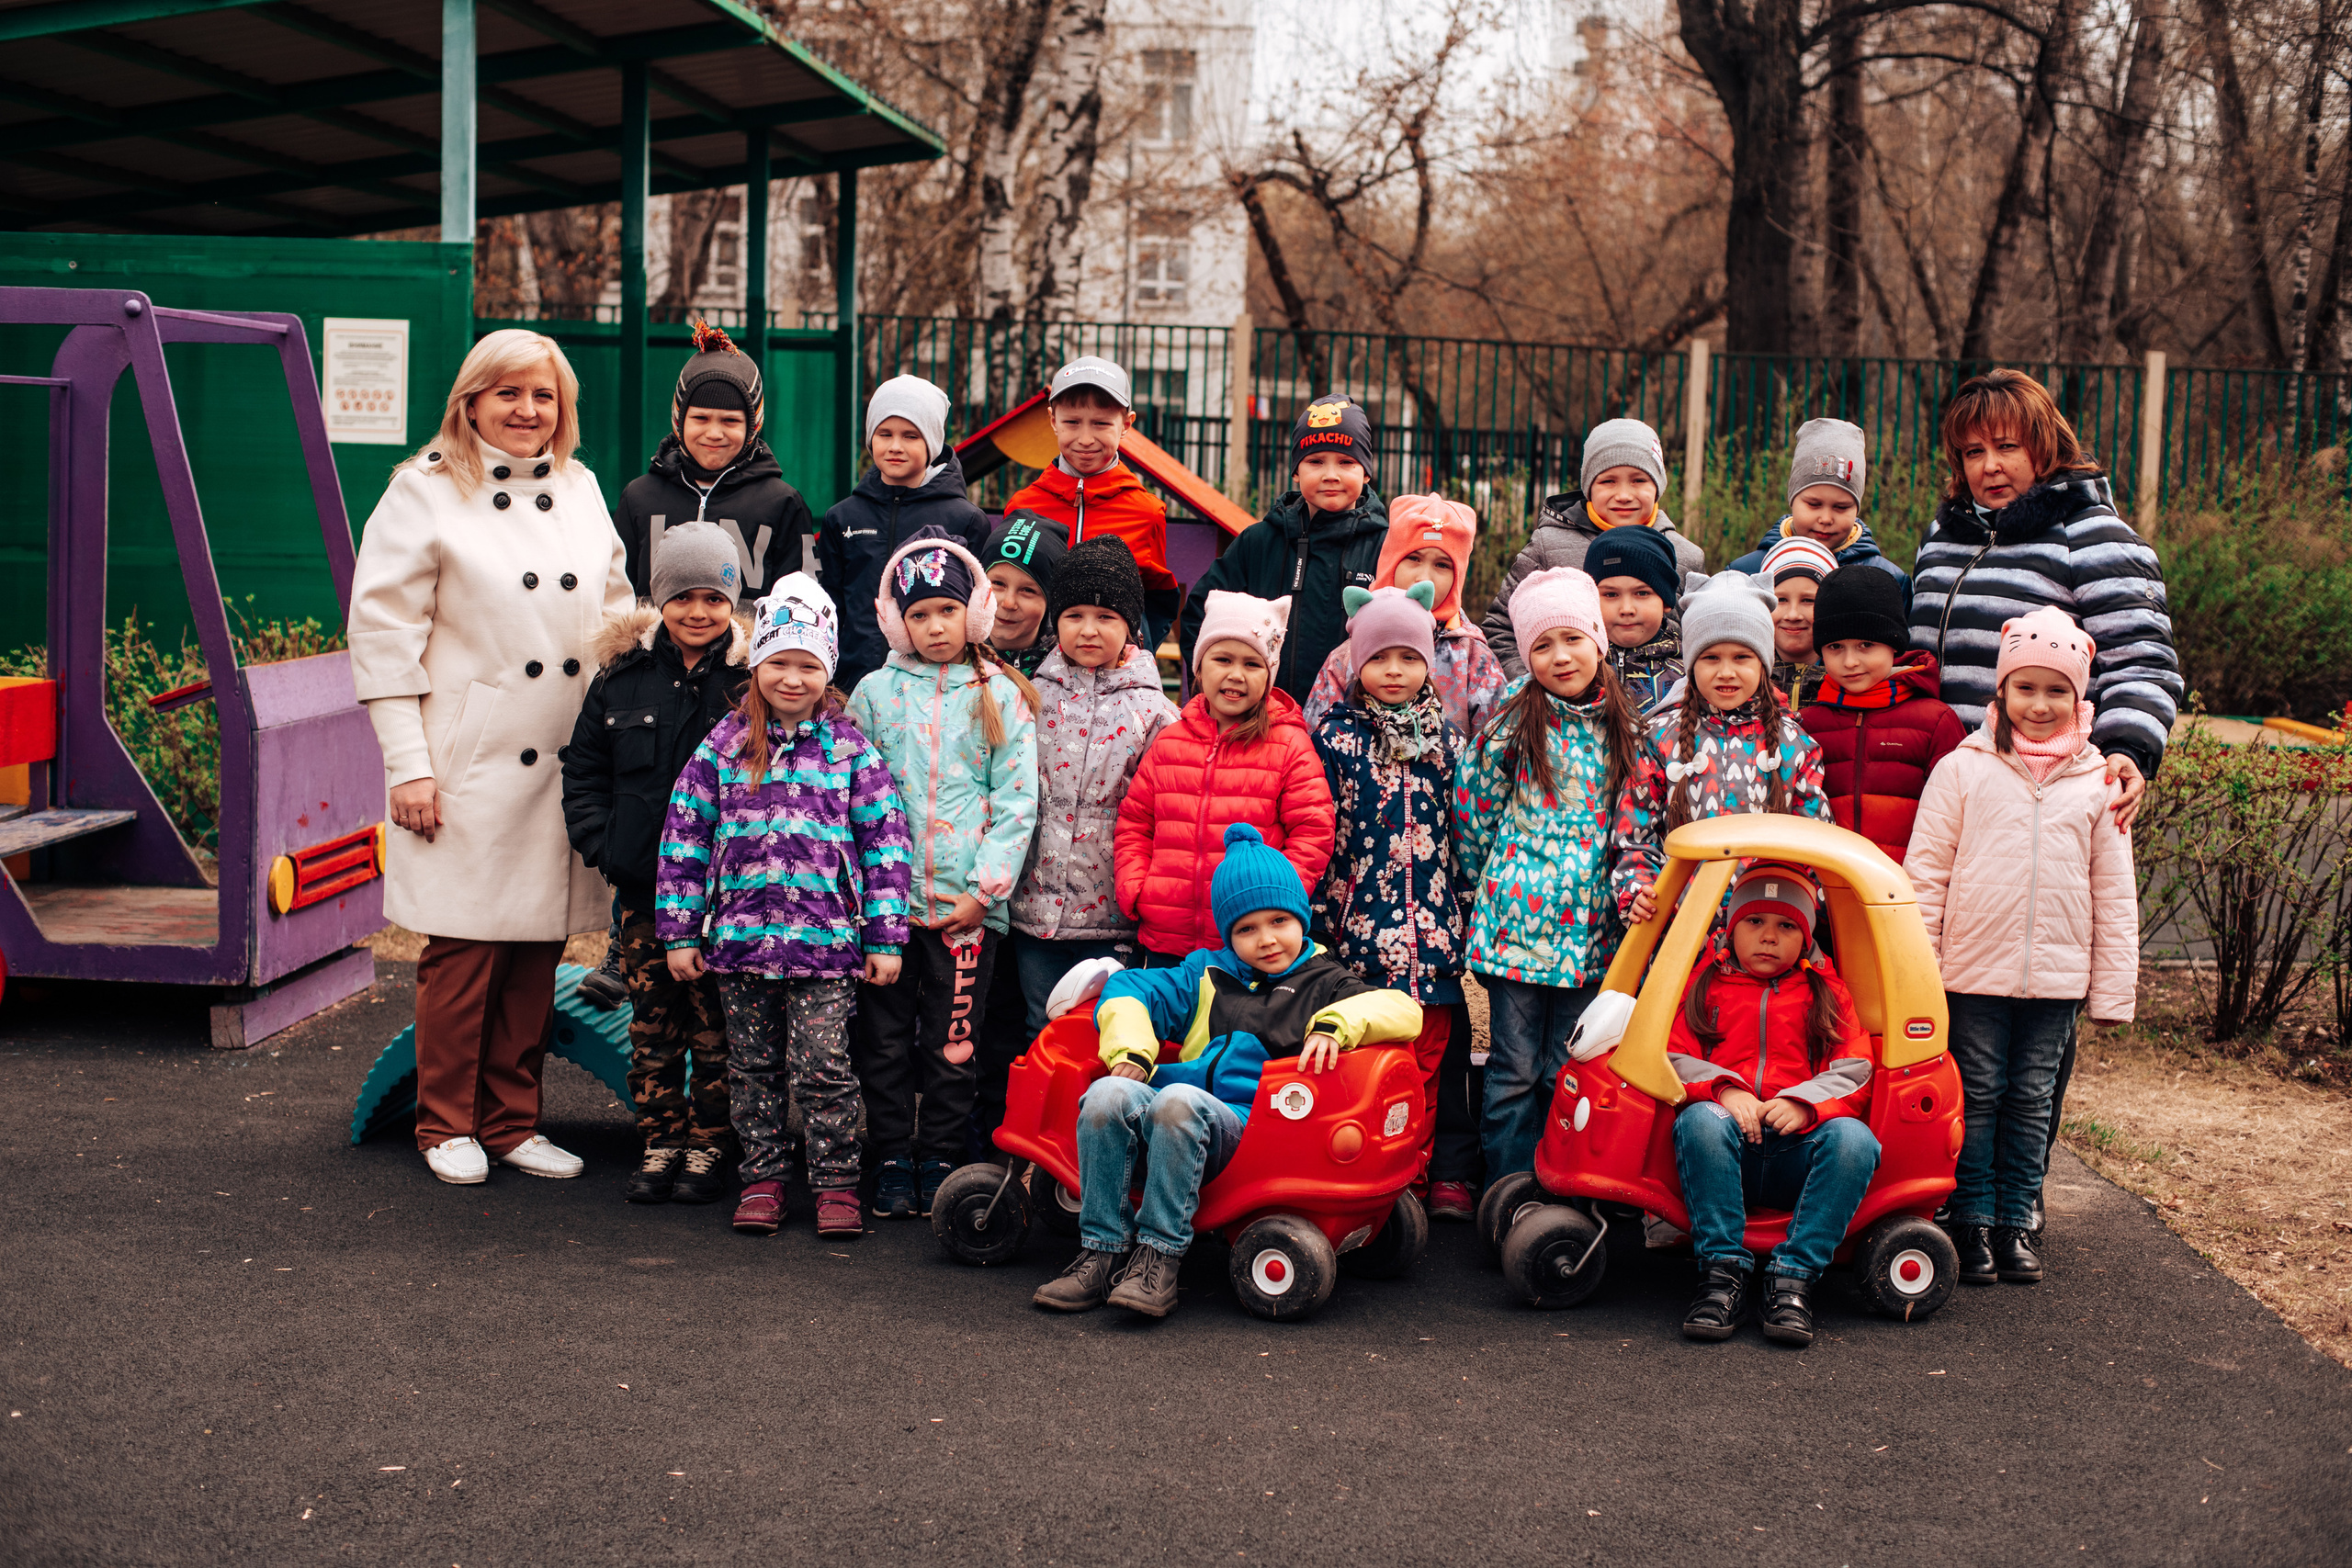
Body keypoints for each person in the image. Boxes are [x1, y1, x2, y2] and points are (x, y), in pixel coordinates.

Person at [350, 328, 632, 1187]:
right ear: (470, 400)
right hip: (467, 761)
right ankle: (444, 1123)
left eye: (544, 395)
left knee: (536, 949)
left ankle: (512, 1119)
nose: (527, 410)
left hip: (566, 761)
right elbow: (383, 639)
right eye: (508, 392)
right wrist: (409, 765)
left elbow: (616, 608)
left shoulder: (580, 487)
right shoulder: (422, 493)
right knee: (464, 954)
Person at [1031, 823, 1423, 1317]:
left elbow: (1405, 1012)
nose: (1266, 939)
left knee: (1177, 1103)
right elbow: (1129, 989)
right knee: (1107, 1094)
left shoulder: (1325, 982)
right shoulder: (1205, 974)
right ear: (1228, 933)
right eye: (1246, 929)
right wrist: (1130, 1053)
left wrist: (1336, 1024)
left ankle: (1160, 1256)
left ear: (1300, 916)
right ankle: (1102, 1251)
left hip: (1247, 1128)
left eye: (1279, 920)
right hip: (1175, 1109)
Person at [655, 575, 912, 1241]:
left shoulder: (851, 750)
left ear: (827, 670)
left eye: (807, 665)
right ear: (757, 664)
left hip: (826, 949)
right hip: (739, 943)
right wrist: (679, 930)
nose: (791, 678)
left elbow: (885, 842)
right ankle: (764, 1178)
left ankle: (834, 1182)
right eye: (778, 663)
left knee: (824, 1066)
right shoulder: (723, 745)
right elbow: (685, 836)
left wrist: (886, 938)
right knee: (753, 1067)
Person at [1905, 608, 2138, 1288]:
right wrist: (1925, 967)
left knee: (2034, 1096)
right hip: (1973, 973)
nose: (2040, 704)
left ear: (2079, 698)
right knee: (1977, 1093)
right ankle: (1972, 1219)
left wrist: (2112, 989)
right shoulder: (1963, 770)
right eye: (2026, 688)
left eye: (2056, 690)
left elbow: (2114, 891)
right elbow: (1928, 876)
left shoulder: (2098, 783)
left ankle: (2016, 1222)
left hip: (2058, 979)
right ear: (2000, 693)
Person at [845, 526, 1041, 1219]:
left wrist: (981, 892)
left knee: (953, 1043)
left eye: (947, 611)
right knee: (886, 1042)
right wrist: (871, 900)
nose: (934, 626)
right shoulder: (872, 693)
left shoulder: (999, 693)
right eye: (919, 613)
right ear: (897, 619)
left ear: (974, 613)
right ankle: (893, 1153)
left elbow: (1018, 801)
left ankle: (942, 1158)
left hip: (963, 914)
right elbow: (852, 801)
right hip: (887, 915)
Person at [560, 521, 751, 1205]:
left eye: (714, 596)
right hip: (645, 894)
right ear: (659, 598)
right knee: (653, 1027)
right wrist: (605, 847)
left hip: (728, 899)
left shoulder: (753, 685)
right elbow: (583, 770)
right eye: (683, 596)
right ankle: (661, 1137)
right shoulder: (622, 679)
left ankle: (709, 1144)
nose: (698, 611)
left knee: (719, 1027)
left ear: (733, 601)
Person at [973, 536, 1180, 1154]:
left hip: (1109, 915)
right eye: (1075, 615)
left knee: (1099, 1037)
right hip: (1036, 912)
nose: (1089, 630)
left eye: (1107, 616)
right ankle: (1036, 1153)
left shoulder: (1156, 713)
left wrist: (1140, 892)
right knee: (1041, 1032)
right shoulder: (1027, 694)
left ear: (1131, 625)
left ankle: (1089, 1151)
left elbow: (1154, 816)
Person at [1910, 367, 2180, 831]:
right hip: (1937, 791)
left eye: (2006, 447)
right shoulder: (1941, 541)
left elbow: (2142, 663)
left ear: (2044, 446)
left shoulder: (2096, 540)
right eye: (1974, 452)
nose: (1989, 465)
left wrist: (2127, 748)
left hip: (2043, 796)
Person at [1452, 567, 1644, 1180]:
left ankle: (1559, 1181)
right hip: (1517, 931)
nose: (1560, 657)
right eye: (1542, 645)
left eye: (1572, 639)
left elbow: (1633, 820)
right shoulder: (1516, 715)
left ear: (1598, 640)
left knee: (1569, 1068)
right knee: (1512, 1069)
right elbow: (1474, 805)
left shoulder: (1625, 723)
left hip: (1589, 934)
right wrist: (1497, 882)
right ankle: (1507, 1187)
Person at [1667, 863, 1880, 1347]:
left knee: (1855, 1140)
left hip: (1796, 1154)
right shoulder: (1705, 985)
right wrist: (1725, 1088)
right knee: (1700, 1120)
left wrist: (1805, 1104)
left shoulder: (1828, 993)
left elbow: (1855, 1070)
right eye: (1754, 922)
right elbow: (1672, 1058)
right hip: (1727, 1151)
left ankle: (1793, 1279)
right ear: (1730, 928)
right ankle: (1722, 1275)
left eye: (1786, 926)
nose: (1769, 937)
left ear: (1805, 938)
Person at [1308, 582, 1469, 1211]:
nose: (1394, 670)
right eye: (1379, 658)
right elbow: (1324, 836)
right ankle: (1368, 1175)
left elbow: (1465, 836)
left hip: (1432, 946)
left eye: (1408, 656)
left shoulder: (1448, 744)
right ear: (1357, 663)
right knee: (1372, 1069)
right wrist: (1323, 919)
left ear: (1428, 661)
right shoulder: (1335, 740)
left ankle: (1415, 1176)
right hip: (1362, 942)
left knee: (1426, 1067)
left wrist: (1467, 910)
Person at [1117, 590, 1336, 964]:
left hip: (1249, 945)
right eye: (1222, 659)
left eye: (1252, 664)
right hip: (1166, 941)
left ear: (1269, 675)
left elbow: (1313, 831)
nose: (1236, 674)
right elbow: (1135, 822)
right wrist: (1137, 889)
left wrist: (1276, 902)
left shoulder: (1289, 745)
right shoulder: (1170, 740)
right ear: (1199, 668)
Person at [1613, 571, 1832, 925]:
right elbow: (1634, 835)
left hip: (1767, 935)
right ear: (1691, 665)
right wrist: (1639, 891)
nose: (1726, 672)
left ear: (1763, 663)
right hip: (1678, 929)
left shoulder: (1797, 746)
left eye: (1742, 657)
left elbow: (1815, 847)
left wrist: (1802, 916)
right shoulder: (1657, 738)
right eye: (1711, 658)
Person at [1178, 395, 1388, 702]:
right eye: (1316, 461)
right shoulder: (1259, 542)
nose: (1331, 474)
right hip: (1262, 725)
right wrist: (1215, 694)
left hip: (1351, 727)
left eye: (1346, 462)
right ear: (1296, 472)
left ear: (1366, 472)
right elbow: (1201, 613)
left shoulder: (1385, 547)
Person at [1480, 417, 1707, 679]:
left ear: (1657, 486)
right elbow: (1500, 629)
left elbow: (1703, 641)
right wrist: (1534, 688)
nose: (1623, 494)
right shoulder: (1549, 547)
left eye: (1638, 480)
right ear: (1588, 487)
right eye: (1608, 481)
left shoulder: (1686, 557)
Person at [611, 321, 812, 604]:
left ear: (754, 426)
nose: (714, 433)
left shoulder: (783, 504)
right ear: (679, 420)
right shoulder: (639, 497)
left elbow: (803, 601)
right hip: (652, 650)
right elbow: (615, 595)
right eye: (701, 418)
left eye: (730, 421)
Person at [816, 375, 992, 695]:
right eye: (885, 434)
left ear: (932, 443)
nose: (895, 446)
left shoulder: (966, 519)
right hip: (852, 684)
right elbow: (832, 605)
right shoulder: (842, 517)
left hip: (938, 691)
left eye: (911, 436)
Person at [1000, 356, 1181, 649]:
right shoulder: (1024, 506)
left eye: (1100, 424)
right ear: (1053, 420)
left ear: (1126, 424)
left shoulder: (1146, 512)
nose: (1085, 439)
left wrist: (1134, 649)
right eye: (1072, 422)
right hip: (1036, 675)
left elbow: (1156, 601)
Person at [1799, 566, 1965, 865]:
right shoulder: (1807, 725)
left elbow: (1960, 817)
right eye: (1835, 647)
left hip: (1908, 894)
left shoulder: (1935, 722)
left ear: (1894, 644)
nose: (1850, 661)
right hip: (1826, 892)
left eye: (1866, 645)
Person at [1302, 493, 1506, 737]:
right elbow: (1315, 741)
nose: (1424, 577)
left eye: (1442, 565)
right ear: (1390, 561)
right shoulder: (1346, 658)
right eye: (1413, 558)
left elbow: (1496, 747)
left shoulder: (1474, 657)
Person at [1725, 417, 1909, 600]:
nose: (1826, 518)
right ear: (1792, 500)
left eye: (1841, 507)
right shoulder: (1744, 575)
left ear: (1857, 508)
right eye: (1814, 504)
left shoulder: (1889, 582)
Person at [1584, 523, 1684, 716]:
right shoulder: (1576, 664)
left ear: (1666, 601)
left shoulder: (1689, 671)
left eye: (1642, 593)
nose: (1626, 609)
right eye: (1611, 595)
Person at [980, 510, 1069, 681]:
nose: (1008, 603)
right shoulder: (952, 653)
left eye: (1027, 590)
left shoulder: (1071, 664)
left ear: (1051, 600)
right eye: (998, 584)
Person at [1760, 535, 1838, 706]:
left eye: (1808, 600)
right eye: (1781, 600)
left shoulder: (1848, 677)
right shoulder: (1746, 675)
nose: (1793, 615)